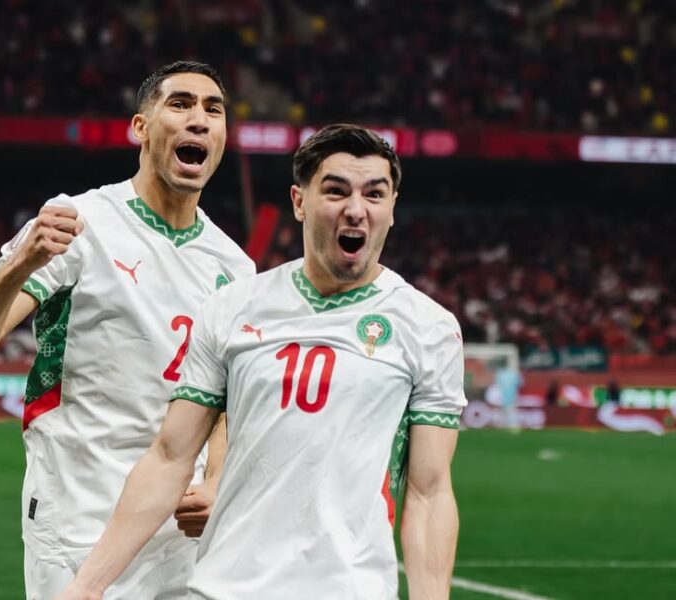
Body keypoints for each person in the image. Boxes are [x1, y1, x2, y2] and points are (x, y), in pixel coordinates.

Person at [57, 124, 467, 600]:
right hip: (225, 588)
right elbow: (170, 458)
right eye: (336, 191)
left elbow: (429, 493)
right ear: (299, 201)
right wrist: (86, 586)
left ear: (392, 207)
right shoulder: (233, 308)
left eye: (374, 194)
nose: (356, 210)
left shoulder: (429, 329)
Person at [0, 61, 255, 599]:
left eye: (213, 109)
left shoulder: (235, 267)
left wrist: (215, 480)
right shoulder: (77, 222)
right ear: (141, 127)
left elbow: (222, 403)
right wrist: (20, 265)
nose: (199, 119)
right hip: (78, 516)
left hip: (179, 530)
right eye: (180, 104)